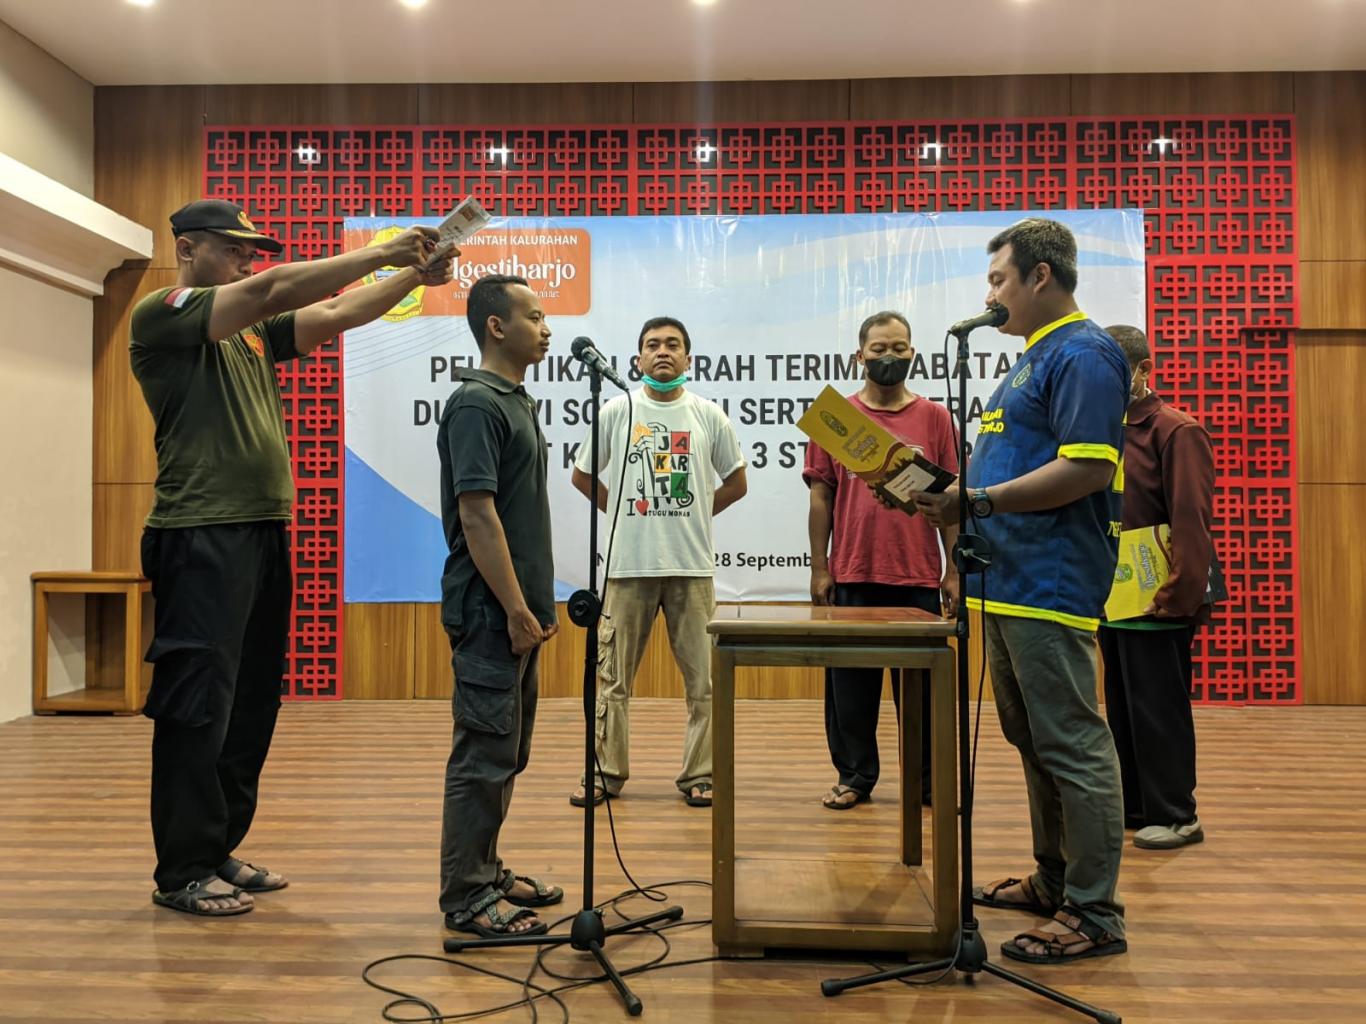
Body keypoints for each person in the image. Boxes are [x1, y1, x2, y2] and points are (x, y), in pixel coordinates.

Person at [131, 199, 451, 916]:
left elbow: (335, 313)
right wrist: (385, 251)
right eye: (233, 247)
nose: (248, 259)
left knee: (250, 701)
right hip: (200, 533)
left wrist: (414, 277)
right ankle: (181, 869)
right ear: (186, 248)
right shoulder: (163, 312)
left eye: (253, 249)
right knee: (196, 706)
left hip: (260, 531)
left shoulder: (248, 334)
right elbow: (274, 289)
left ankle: (216, 846)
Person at [913, 218, 1130, 964]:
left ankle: (1095, 912)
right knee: (1033, 739)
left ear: (1041, 275)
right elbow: (1007, 470)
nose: (989, 295)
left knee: (1071, 742)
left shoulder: (1083, 352)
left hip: (1050, 580)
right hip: (1002, 583)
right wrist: (938, 494)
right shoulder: (1030, 357)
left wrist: (975, 501)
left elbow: (1088, 468)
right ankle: (1054, 880)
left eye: (998, 279)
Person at [567, 316, 747, 809]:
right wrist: (622, 514)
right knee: (613, 680)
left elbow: (736, 482)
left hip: (692, 568)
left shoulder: (708, 415)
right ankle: (605, 773)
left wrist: (694, 513)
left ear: (689, 358)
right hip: (628, 567)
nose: (662, 351)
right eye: (652, 345)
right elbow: (582, 476)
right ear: (638, 358)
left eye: (672, 344)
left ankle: (701, 774)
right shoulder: (617, 410)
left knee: (704, 683)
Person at [438, 274, 561, 937]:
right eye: (534, 317)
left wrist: (534, 605)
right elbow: (477, 514)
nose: (546, 328)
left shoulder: (516, 400)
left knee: (508, 752)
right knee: (483, 755)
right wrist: (514, 608)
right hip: (490, 612)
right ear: (496, 326)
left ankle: (484, 870)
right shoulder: (476, 405)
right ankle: (466, 897)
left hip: (517, 612)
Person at [803, 311, 959, 811]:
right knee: (850, 689)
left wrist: (953, 569)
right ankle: (854, 776)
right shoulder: (836, 419)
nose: (888, 357)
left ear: (913, 354)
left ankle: (928, 784)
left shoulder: (936, 418)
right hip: (852, 571)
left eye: (898, 348)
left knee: (923, 691)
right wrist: (820, 566)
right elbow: (821, 497)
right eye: (878, 349)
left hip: (917, 575)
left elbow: (952, 500)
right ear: (859, 355)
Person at [1099, 325, 1215, 850]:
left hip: (1158, 595)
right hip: (1112, 595)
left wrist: (1176, 595)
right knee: (1123, 705)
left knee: (1159, 706)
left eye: (1114, 372)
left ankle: (1177, 814)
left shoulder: (1176, 430)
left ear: (1144, 370)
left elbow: (1191, 519)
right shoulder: (1100, 430)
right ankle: (1137, 804)